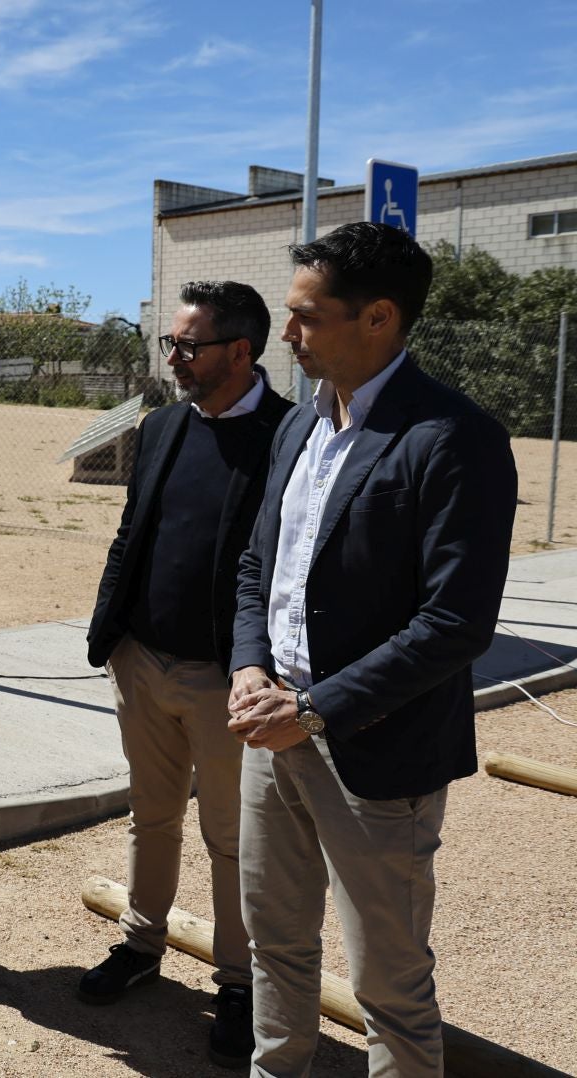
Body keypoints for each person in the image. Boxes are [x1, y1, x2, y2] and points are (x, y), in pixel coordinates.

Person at [228, 222, 517, 1076]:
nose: (286, 336)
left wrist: (312, 709)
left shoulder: (453, 438)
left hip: (374, 751)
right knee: (273, 948)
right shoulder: (301, 427)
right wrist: (251, 667)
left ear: (380, 317)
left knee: (388, 987)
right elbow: (258, 566)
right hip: (268, 730)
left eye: (306, 318)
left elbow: (456, 622)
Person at [80, 280, 291, 1066]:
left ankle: (238, 983)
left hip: (228, 681)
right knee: (152, 815)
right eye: (171, 342)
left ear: (241, 350)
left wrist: (258, 667)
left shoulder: (289, 435)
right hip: (143, 662)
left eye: (188, 345)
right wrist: (112, 635)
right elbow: (132, 531)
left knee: (233, 838)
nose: (174, 356)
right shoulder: (164, 423)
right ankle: (141, 945)